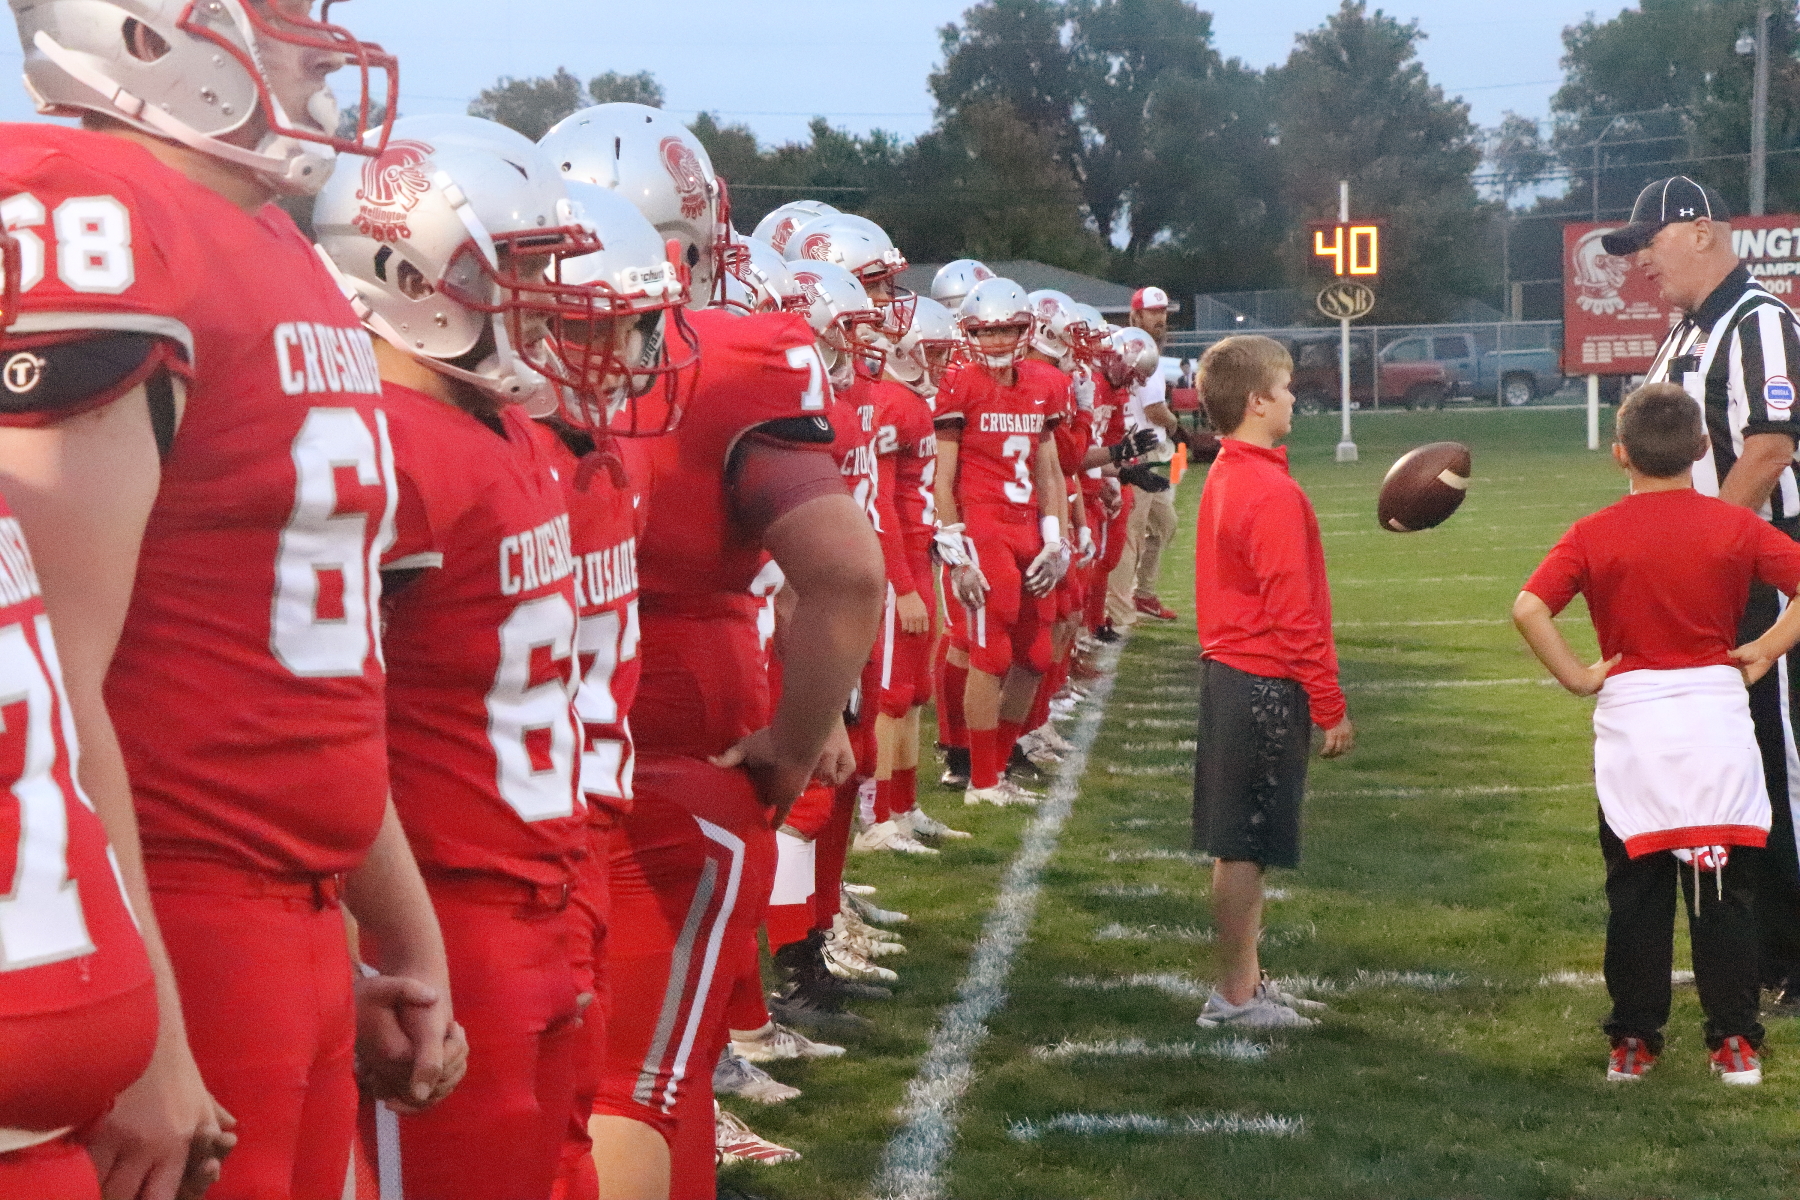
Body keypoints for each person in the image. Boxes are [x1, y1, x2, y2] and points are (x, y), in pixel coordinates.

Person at [1, 4, 460, 1194]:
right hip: (171, 901)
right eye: (279, 11)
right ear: (147, 33)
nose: (314, 42)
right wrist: (146, 1014)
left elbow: (320, 662)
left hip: (294, 919)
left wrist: (395, 931)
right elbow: (45, 668)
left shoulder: (272, 237)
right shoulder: (81, 204)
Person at [316, 114, 635, 1198]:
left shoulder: (498, 430)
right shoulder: (388, 443)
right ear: (415, 269)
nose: (546, 301)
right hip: (446, 908)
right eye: (526, 269)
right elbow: (322, 715)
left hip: (534, 890)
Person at [1514, 382, 1800, 1085]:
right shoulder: (1731, 525)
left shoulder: (1593, 532)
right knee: (1722, 885)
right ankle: (1734, 1040)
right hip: (1713, 714)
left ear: (1620, 455)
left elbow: (1527, 608)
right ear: (1703, 449)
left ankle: (1634, 1041)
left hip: (1634, 720)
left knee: (1636, 886)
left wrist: (1579, 677)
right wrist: (1767, 647)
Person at [1607, 176, 1800, 1008]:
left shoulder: (1761, 322)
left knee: (1779, 763)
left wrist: (1698, 547)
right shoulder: (1684, 331)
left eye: (1649, 241)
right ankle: (1759, 948)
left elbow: (1769, 447)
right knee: (1729, 765)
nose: (1641, 260)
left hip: (1761, 572)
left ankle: (1792, 957)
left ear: (1699, 231)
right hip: (1715, 575)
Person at [1191, 335, 1352, 1029]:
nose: (1294, 400)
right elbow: (1293, 614)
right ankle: (1232, 997)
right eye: (1285, 390)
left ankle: (1247, 984)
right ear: (1257, 401)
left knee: (1246, 844)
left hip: (1237, 675)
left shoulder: (1232, 469)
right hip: (1259, 681)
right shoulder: (1267, 489)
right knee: (1246, 847)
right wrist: (1330, 703)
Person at [934, 278, 1072, 808]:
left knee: (1035, 655)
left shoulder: (1042, 384)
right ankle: (981, 780)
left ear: (1025, 329)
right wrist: (956, 548)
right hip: (985, 528)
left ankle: (998, 759)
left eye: (1006, 330)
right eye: (985, 332)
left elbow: (1051, 471)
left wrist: (1056, 540)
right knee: (990, 655)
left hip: (1029, 528)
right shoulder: (960, 385)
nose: (995, 342)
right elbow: (943, 479)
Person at [1107, 286, 1180, 627]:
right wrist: (1177, 424)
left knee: (1164, 525)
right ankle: (1119, 608)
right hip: (1137, 448)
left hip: (1151, 447)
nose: (1161, 318)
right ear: (1135, 314)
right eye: (1153, 311)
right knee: (1130, 534)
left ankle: (1142, 593)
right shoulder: (1139, 347)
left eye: (1163, 311)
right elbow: (1154, 408)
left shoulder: (1133, 344)